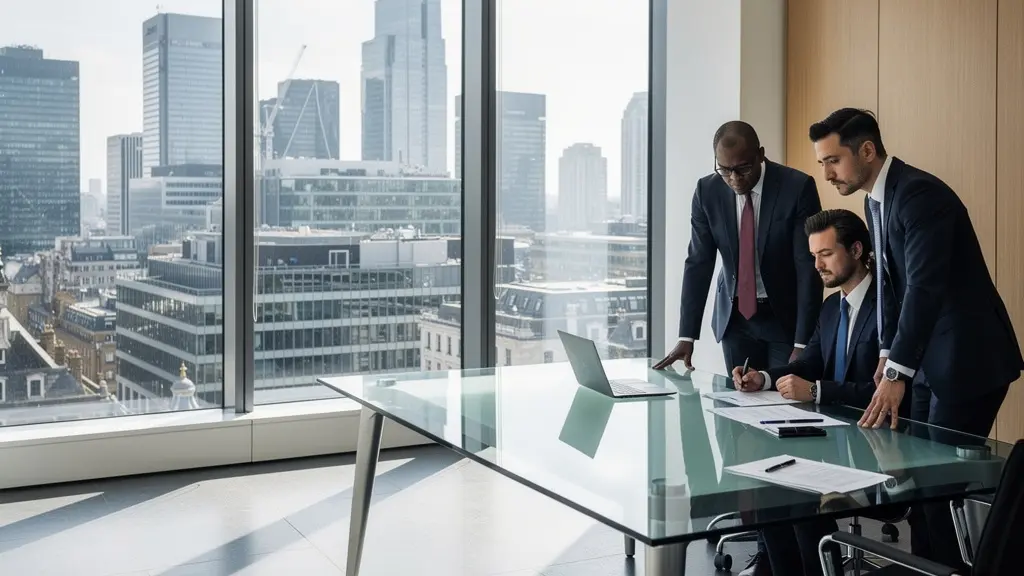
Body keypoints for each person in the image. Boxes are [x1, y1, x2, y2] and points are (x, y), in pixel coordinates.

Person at [808, 108, 1024, 568]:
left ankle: (953, 568)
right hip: (928, 362)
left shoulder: (919, 195)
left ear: (867, 150)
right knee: (919, 488)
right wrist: (887, 354)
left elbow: (924, 288)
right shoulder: (876, 202)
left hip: (967, 361)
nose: (827, 174)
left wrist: (896, 372)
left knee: (939, 488)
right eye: (822, 163)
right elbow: (890, 287)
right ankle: (928, 566)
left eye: (833, 161)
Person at [655, 121, 822, 576]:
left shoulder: (797, 187)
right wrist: (686, 335)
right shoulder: (707, 191)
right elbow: (698, 261)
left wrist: (803, 342)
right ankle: (767, 545)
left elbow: (807, 268)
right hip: (736, 322)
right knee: (742, 435)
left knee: (785, 428)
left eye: (743, 168)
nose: (734, 178)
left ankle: (798, 548)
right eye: (725, 169)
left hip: (785, 323)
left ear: (761, 154)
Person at [731, 208, 911, 576]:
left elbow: (885, 391)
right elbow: (808, 362)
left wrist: (816, 391)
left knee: (799, 503)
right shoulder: (831, 307)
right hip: (831, 439)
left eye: (826, 254)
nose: (817, 266)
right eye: (814, 256)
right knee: (770, 492)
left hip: (879, 447)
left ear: (856, 250)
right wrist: (763, 378)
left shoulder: (889, 307)